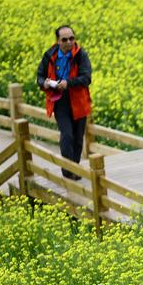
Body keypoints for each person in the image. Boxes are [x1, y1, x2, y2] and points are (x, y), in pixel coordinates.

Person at [35, 25, 92, 180]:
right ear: (58, 41)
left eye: (72, 38)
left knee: (78, 137)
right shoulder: (49, 56)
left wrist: (68, 83)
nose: (69, 42)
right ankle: (69, 171)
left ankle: (74, 168)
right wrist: (44, 83)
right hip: (60, 101)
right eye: (65, 39)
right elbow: (39, 76)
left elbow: (87, 78)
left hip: (78, 100)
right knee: (67, 135)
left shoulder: (81, 55)